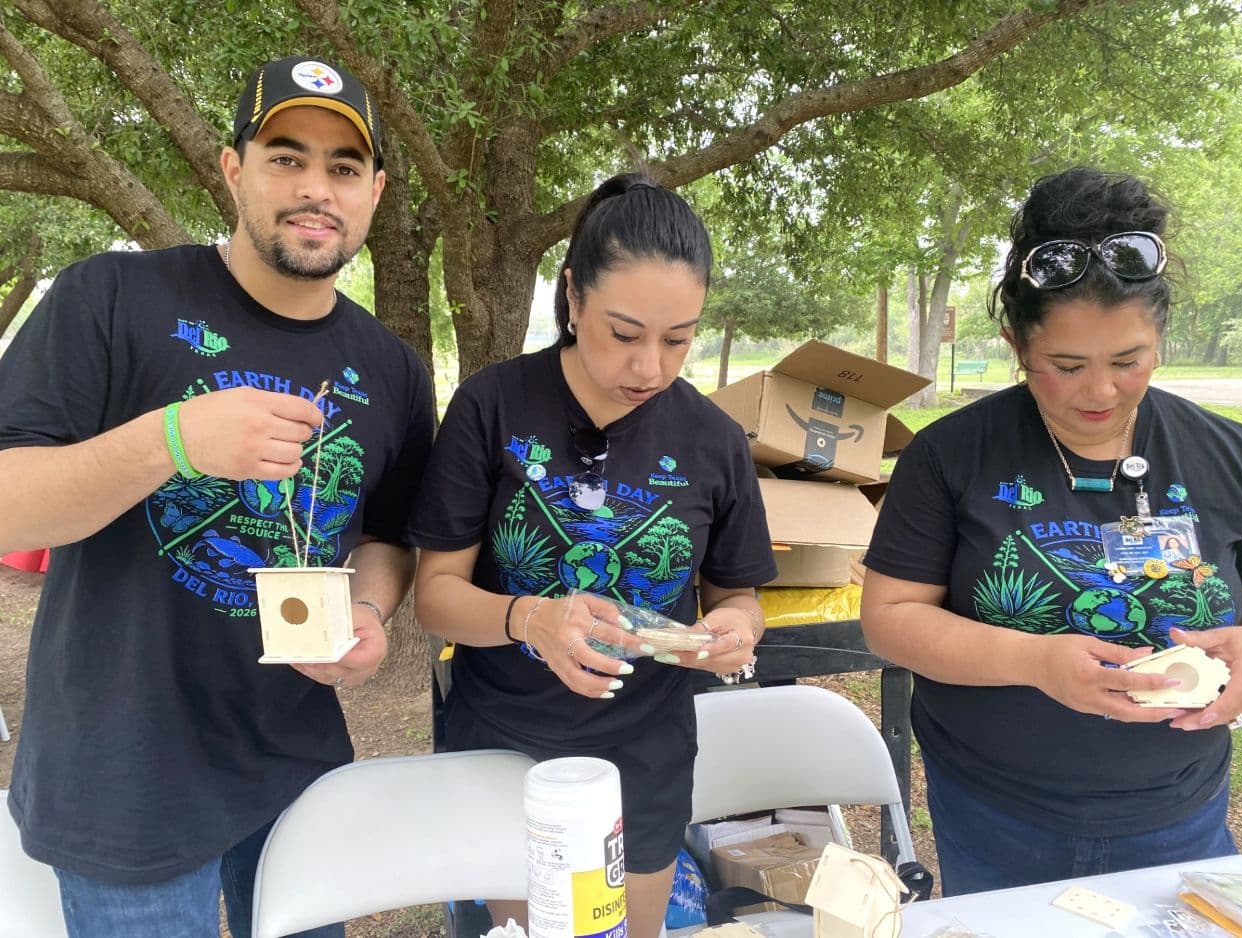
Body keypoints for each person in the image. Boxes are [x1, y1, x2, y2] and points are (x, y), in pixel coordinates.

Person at [0, 56, 435, 936]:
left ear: (375, 192)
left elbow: (388, 537)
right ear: (234, 168)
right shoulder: (110, 298)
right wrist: (174, 440)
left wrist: (369, 610)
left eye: (344, 168)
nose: (316, 188)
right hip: (125, 781)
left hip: (295, 769)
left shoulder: (391, 370)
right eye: (287, 156)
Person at [861, 166, 1242, 896]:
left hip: (1180, 810)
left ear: (1161, 336)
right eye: (1065, 366)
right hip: (997, 815)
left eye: (1127, 361)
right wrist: (1036, 662)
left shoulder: (1231, 456)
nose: (1099, 391)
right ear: (1016, 342)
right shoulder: (949, 455)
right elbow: (889, 621)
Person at [412, 172, 776, 938]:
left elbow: (738, 595)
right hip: (504, 744)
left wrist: (736, 631)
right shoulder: (492, 406)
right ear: (573, 298)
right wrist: (531, 618)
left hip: (642, 753)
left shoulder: (712, 439)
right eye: (624, 333)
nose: (650, 367)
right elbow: (436, 594)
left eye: (678, 340)